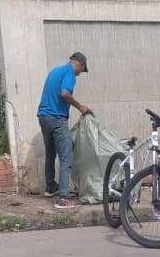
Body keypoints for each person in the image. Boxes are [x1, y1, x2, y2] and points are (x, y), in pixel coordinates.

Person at [37, 52, 94, 209]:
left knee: (50, 153)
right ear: (79, 64)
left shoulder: (56, 71)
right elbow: (65, 93)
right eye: (81, 70)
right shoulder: (70, 72)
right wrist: (81, 107)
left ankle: (50, 188)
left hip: (43, 116)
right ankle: (63, 198)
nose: (80, 73)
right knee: (66, 156)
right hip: (56, 118)